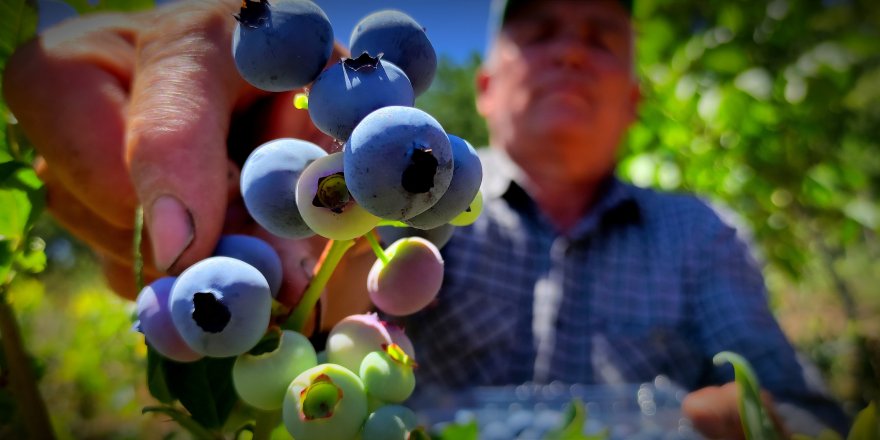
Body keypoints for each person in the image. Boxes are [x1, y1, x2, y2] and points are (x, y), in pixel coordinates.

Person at [2, 0, 849, 437]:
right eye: (540, 30)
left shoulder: (704, 234)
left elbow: (800, 410)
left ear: (634, 100)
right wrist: (247, 197)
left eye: (601, 34)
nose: (570, 49)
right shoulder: (401, 214)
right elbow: (331, 318)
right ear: (485, 87)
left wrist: (748, 419)